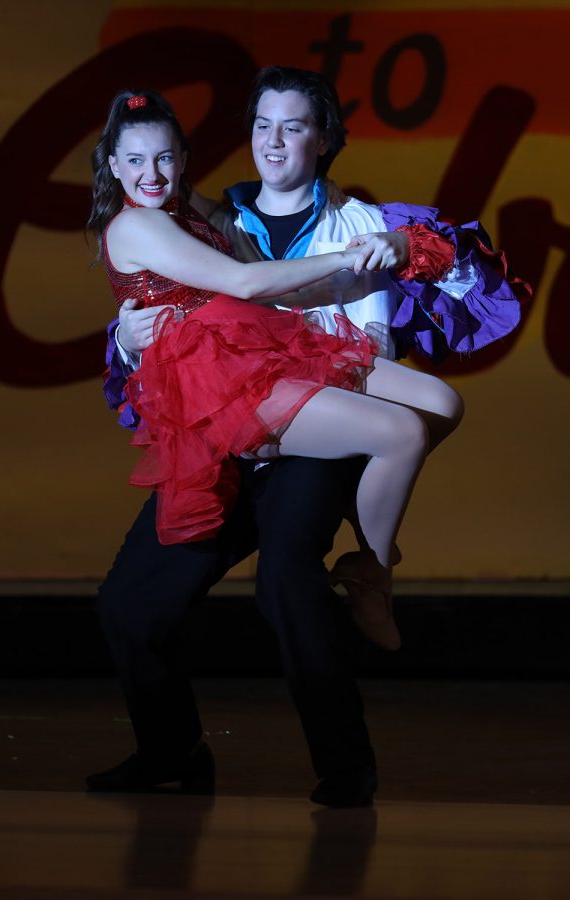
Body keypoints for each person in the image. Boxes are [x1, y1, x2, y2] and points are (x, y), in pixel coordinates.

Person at [88, 72, 525, 807]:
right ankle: (173, 750)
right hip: (223, 438)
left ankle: (346, 760)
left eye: (293, 127)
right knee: (131, 604)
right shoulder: (210, 214)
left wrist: (406, 245)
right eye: (263, 124)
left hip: (317, 421)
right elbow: (171, 304)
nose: (275, 140)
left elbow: (464, 275)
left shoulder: (362, 220)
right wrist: (127, 339)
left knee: (288, 580)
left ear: (324, 139)